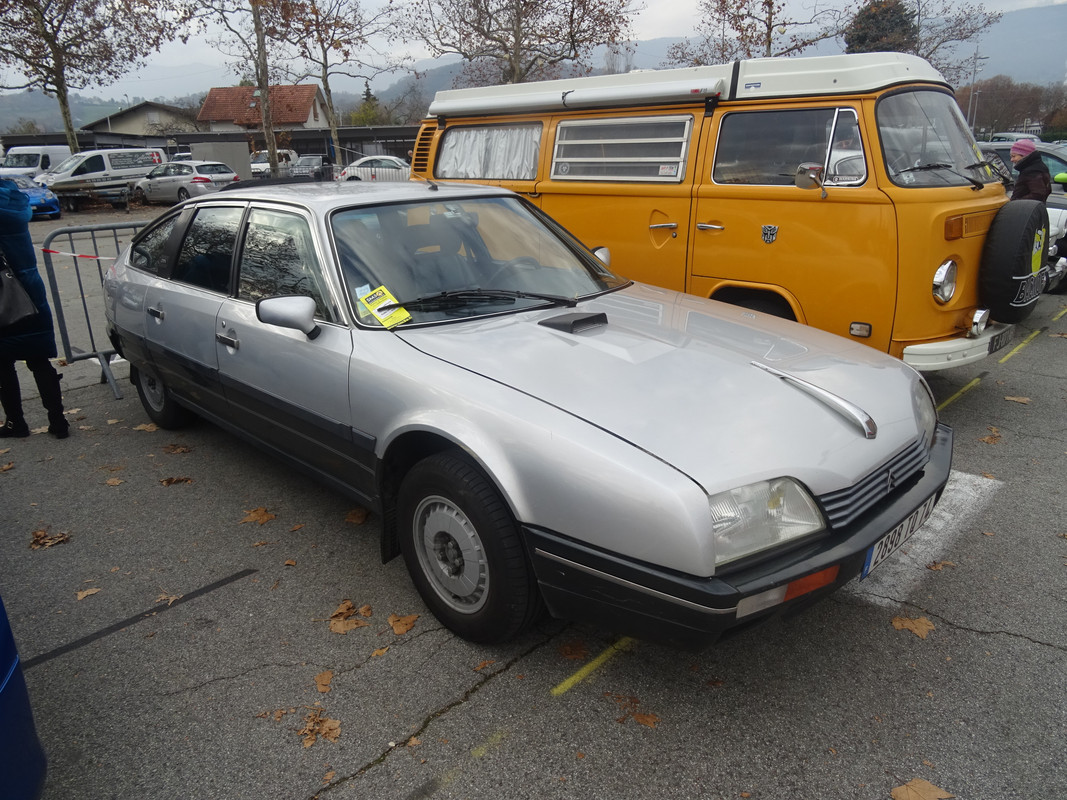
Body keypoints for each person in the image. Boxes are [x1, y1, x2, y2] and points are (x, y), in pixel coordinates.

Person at [0, 178, 68, 439]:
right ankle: (58, 421)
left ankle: (16, 422)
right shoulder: (15, 201)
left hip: (4, 291)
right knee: (38, 357)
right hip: (29, 287)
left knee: (3, 362)